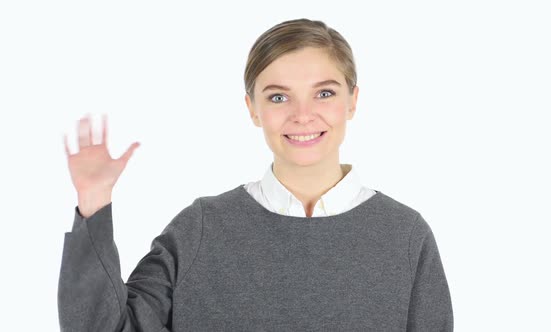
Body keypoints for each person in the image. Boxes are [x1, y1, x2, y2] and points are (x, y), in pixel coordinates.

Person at [58, 18, 453, 331]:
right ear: (252, 108)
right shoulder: (201, 227)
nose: (302, 114)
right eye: (278, 96)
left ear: (353, 101)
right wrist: (94, 201)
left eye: (325, 93)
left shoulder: (404, 235)